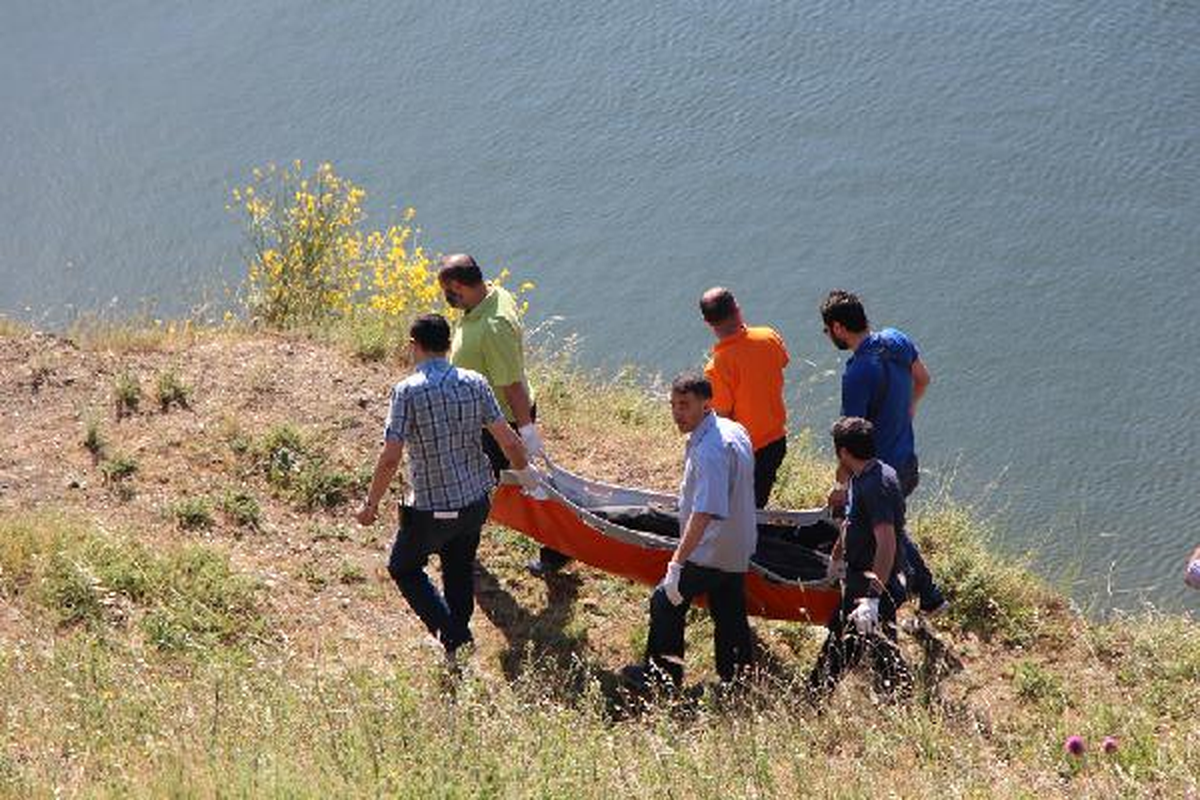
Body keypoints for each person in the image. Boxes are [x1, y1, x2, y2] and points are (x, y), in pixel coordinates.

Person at [354, 313, 538, 663]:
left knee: (404, 567)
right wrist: (527, 476)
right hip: (474, 501)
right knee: (458, 566)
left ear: (414, 346)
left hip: (429, 508)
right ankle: (455, 636)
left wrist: (370, 504)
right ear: (450, 344)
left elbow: (391, 457)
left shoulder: (406, 391)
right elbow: (508, 441)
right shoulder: (475, 382)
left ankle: (454, 638)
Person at [620, 373, 757, 692]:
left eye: (685, 405)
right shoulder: (734, 430)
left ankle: (662, 681)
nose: (677, 413)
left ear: (706, 404)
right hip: (738, 543)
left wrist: (677, 563)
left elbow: (705, 511)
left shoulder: (709, 449)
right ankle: (738, 681)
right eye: (673, 405)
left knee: (665, 601)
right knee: (728, 610)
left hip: (709, 548)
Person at [437, 254, 568, 576]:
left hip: (501, 421)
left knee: (524, 484)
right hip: (486, 419)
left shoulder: (493, 326)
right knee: (513, 482)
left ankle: (558, 547)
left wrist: (525, 431)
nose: (445, 297)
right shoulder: (491, 296)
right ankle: (555, 547)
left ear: (457, 286)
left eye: (446, 291)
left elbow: (510, 385)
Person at [820, 289, 947, 615]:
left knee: (882, 533)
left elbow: (850, 441)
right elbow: (924, 378)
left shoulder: (857, 373)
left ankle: (908, 596)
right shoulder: (897, 340)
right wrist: (909, 409)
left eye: (826, 329)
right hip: (907, 460)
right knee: (892, 527)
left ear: (838, 328)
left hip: (878, 473)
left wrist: (841, 486)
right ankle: (929, 596)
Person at [807, 417, 913, 702]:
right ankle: (896, 698)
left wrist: (873, 597)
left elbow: (887, 542)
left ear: (843, 452)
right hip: (861, 581)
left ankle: (811, 700)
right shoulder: (865, 476)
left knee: (844, 646)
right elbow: (852, 522)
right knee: (874, 648)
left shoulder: (875, 486)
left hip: (869, 587)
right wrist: (837, 554)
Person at [700, 287, 791, 508]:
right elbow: (782, 361)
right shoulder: (769, 336)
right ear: (737, 309)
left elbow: (721, 415)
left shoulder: (717, 367)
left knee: (741, 508)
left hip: (745, 450)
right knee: (758, 499)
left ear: (707, 322)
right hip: (777, 440)